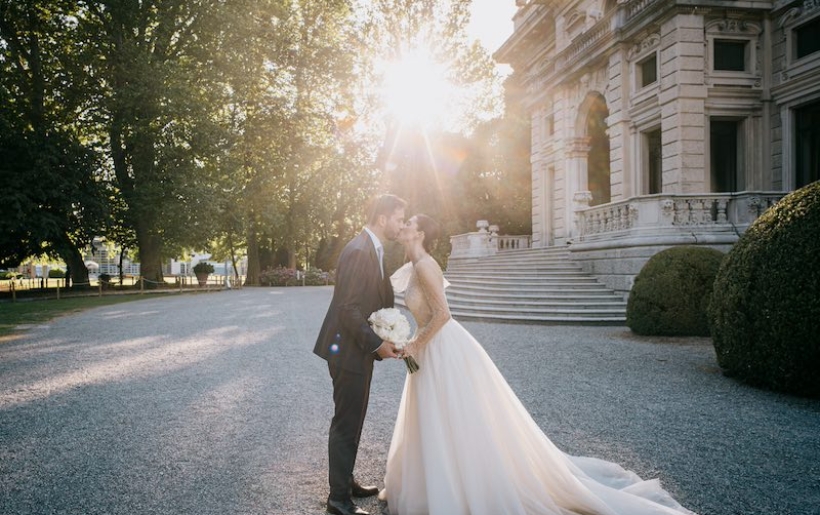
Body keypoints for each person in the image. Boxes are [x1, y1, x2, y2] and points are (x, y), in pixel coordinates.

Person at [380, 214, 698, 515]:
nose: (403, 225)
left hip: (441, 348)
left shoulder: (424, 266)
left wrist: (415, 344)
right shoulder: (414, 265)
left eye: (408, 223)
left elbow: (443, 315)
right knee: (436, 417)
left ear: (419, 233)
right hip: (428, 349)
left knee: (454, 417)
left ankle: (464, 487)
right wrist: (404, 336)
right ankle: (437, 481)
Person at [314, 194, 407, 515]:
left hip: (356, 350)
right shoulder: (358, 251)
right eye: (398, 218)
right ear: (382, 218)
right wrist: (377, 344)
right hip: (348, 352)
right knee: (345, 422)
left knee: (353, 420)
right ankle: (338, 501)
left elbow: (368, 303)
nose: (401, 224)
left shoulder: (374, 249)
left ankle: (346, 481)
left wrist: (385, 331)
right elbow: (348, 308)